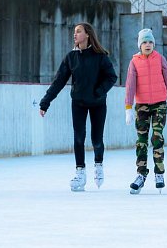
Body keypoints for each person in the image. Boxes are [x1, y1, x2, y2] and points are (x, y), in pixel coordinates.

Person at [39, 22, 117, 192]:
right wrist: (46, 101)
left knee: (97, 139)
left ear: (87, 34)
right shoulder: (71, 58)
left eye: (78, 31)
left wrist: (99, 91)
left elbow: (112, 77)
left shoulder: (100, 56)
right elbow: (58, 81)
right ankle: (80, 171)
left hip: (98, 103)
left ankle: (98, 164)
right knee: (79, 138)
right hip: (78, 103)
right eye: (74, 32)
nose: (74, 35)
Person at [125, 28, 167, 194]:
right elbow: (130, 86)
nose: (148, 44)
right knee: (142, 141)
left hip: (159, 104)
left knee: (157, 137)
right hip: (142, 106)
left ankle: (159, 173)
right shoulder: (134, 62)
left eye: (150, 41)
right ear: (140, 45)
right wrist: (128, 108)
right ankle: (141, 174)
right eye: (144, 42)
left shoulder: (160, 59)